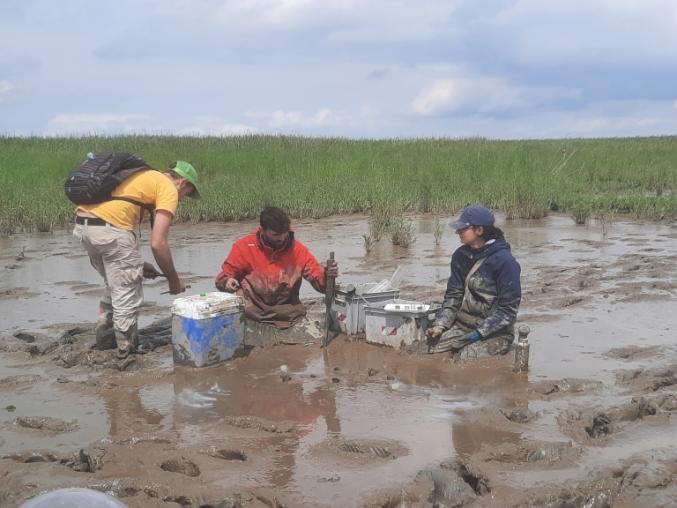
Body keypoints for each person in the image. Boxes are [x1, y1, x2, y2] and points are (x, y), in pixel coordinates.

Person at [73, 160, 199, 358]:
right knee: (127, 292)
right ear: (182, 183)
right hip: (111, 229)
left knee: (116, 286)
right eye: (187, 193)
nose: (183, 199)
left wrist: (138, 264)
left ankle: (105, 344)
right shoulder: (168, 188)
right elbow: (158, 244)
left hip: (84, 226)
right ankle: (126, 355)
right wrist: (173, 280)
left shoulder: (143, 176)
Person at [215, 206, 338, 333]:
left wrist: (327, 275)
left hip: (290, 315)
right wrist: (227, 282)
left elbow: (320, 283)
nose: (282, 238)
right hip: (253, 315)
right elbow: (223, 278)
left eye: (284, 233)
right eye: (276, 234)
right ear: (263, 230)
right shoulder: (244, 247)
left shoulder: (298, 251)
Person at [426, 205, 521, 357]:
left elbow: (508, 310)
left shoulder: (505, 262)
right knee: (424, 349)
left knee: (466, 357)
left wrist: (478, 334)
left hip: (495, 332)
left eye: (463, 228)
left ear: (479, 231)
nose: (458, 232)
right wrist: (440, 325)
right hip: (463, 325)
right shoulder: (460, 256)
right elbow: (454, 296)